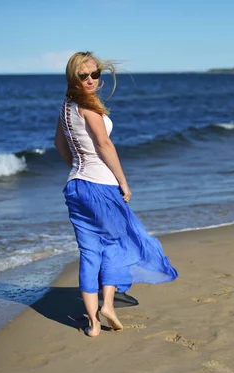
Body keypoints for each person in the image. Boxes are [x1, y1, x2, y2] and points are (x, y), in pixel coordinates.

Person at [54, 51, 178, 337]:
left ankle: (93, 324)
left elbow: (59, 143)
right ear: (73, 77)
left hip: (75, 187)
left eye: (94, 74)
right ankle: (106, 306)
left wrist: (77, 167)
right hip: (101, 186)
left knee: (89, 253)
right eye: (83, 76)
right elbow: (104, 144)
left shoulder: (66, 106)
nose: (90, 80)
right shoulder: (89, 107)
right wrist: (122, 181)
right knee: (115, 245)